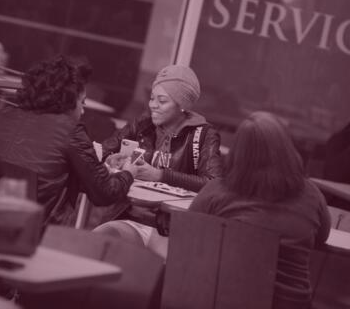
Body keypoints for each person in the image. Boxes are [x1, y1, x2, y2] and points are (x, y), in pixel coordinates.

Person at [190, 111, 331, 309]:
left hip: (231, 301)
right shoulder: (312, 194)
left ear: (238, 152)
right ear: (286, 149)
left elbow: (189, 237)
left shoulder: (217, 191)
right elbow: (322, 237)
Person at [0, 55, 138, 225]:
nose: (82, 111)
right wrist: (129, 172)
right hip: (37, 232)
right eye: (82, 102)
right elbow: (104, 193)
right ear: (68, 100)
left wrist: (102, 165)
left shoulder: (0, 118)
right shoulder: (71, 131)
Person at [95, 64, 223, 253]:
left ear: (182, 106)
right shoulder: (144, 124)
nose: (153, 105)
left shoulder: (203, 135)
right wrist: (111, 160)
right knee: (97, 241)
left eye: (162, 101)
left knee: (168, 272)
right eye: (152, 98)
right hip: (130, 219)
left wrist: (160, 175)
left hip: (171, 230)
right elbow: (105, 150)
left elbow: (213, 184)